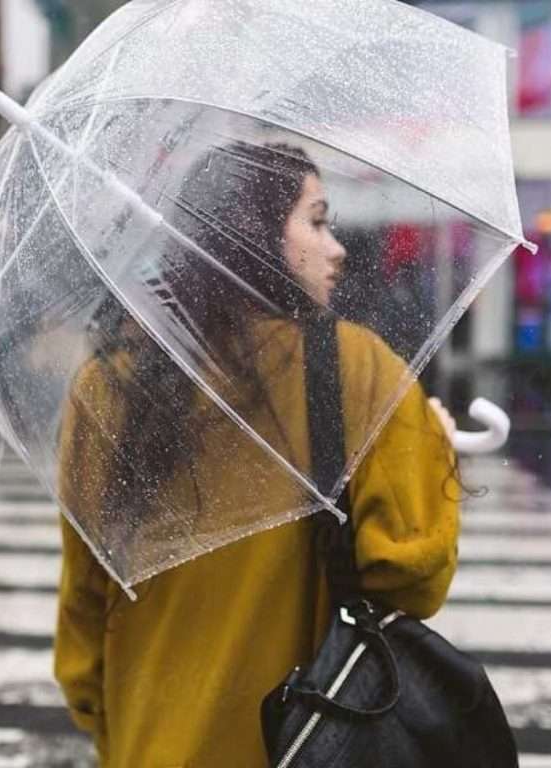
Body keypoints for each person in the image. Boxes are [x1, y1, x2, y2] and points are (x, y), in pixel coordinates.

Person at [54, 142, 460, 767]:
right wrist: (428, 445)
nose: (337, 247)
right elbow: (408, 572)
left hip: (148, 743)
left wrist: (118, 724)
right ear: (254, 232)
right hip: (296, 745)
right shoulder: (359, 372)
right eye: (317, 220)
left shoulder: (107, 386)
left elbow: (85, 605)